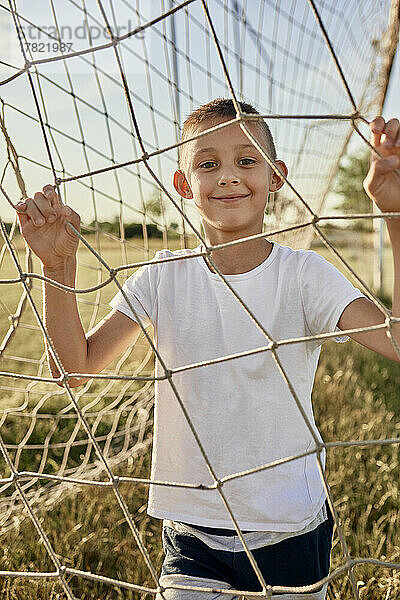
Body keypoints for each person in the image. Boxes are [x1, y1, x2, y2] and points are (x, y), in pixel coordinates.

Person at [16, 99, 400, 600]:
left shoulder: (304, 275)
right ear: (183, 184)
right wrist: (57, 266)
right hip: (193, 530)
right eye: (207, 163)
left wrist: (394, 211)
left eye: (246, 160)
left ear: (276, 176)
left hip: (290, 526)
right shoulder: (161, 277)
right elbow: (73, 371)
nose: (228, 177)